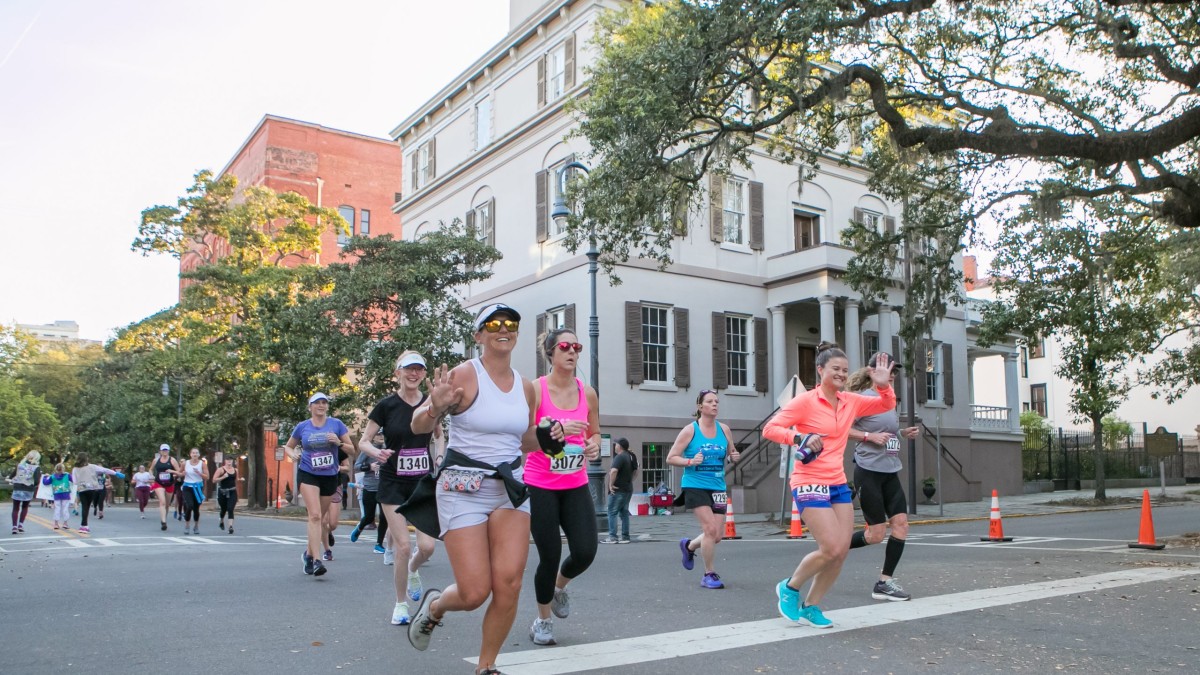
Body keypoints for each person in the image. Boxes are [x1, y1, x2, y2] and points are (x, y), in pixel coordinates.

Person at [403, 304, 550, 675]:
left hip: (509, 490)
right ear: (479, 334)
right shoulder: (464, 376)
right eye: (495, 324)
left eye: (511, 323)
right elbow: (419, 425)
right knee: (474, 593)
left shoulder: (526, 387)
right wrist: (434, 408)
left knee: (510, 583)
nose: (505, 329)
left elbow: (523, 440)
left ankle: (486, 667)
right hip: (462, 487)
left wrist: (549, 438)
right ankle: (436, 607)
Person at [763, 342, 897, 628]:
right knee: (831, 547)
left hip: (836, 482)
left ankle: (812, 606)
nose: (840, 374)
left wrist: (883, 386)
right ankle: (790, 586)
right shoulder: (805, 402)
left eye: (845, 370)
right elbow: (770, 429)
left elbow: (886, 404)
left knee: (841, 550)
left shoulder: (851, 401)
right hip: (809, 480)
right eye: (835, 369)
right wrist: (798, 438)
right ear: (820, 370)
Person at [525, 328, 601, 646]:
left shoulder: (589, 393)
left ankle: (559, 587)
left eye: (576, 346)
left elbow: (595, 433)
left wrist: (594, 445)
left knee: (585, 551)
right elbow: (525, 437)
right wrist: (554, 429)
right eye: (565, 346)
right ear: (551, 353)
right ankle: (542, 621)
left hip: (575, 482)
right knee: (550, 553)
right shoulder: (536, 390)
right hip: (540, 482)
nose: (572, 352)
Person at [358, 350, 442, 626]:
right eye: (409, 369)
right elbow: (364, 441)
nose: (414, 374)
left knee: (427, 547)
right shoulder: (386, 405)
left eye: (419, 369)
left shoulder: (431, 403)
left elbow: (440, 436)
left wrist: (439, 457)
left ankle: (414, 570)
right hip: (393, 482)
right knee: (403, 547)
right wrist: (375, 452)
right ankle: (400, 604)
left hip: (421, 483)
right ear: (398, 373)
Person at [846, 356, 921, 601]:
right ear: (871, 371)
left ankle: (884, 582)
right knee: (875, 535)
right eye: (886, 369)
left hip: (890, 471)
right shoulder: (863, 399)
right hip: (868, 472)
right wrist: (867, 436)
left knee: (901, 526)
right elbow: (842, 429)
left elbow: (886, 432)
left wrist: (900, 433)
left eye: (894, 371)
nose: (891, 374)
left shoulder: (889, 400)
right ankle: (833, 547)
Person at [668, 390, 741, 589]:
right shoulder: (690, 430)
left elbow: (730, 453)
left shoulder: (724, 429)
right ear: (700, 407)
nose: (715, 404)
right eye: (710, 401)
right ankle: (709, 574)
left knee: (717, 536)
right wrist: (690, 461)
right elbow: (671, 457)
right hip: (695, 485)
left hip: (717, 485)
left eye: (717, 401)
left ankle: (689, 546)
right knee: (709, 529)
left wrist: (733, 457)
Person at [279, 392, 353, 577]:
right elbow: (288, 445)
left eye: (324, 403)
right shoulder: (303, 426)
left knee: (321, 519)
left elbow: (352, 449)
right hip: (308, 473)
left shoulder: (336, 424)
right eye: (317, 403)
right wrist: (292, 454)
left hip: (329, 475)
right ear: (310, 406)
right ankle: (317, 561)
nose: (321, 405)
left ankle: (308, 555)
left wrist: (338, 442)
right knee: (315, 515)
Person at [349, 435, 389, 555]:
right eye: (378, 434)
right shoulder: (367, 450)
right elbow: (356, 466)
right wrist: (369, 467)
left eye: (383, 433)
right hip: (370, 488)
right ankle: (360, 527)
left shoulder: (388, 449)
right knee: (369, 518)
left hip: (384, 489)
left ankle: (379, 544)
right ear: (373, 437)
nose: (381, 436)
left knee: (384, 517)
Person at [71, 454, 123, 534]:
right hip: (92, 488)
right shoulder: (92, 466)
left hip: (81, 489)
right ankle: (84, 525)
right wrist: (116, 473)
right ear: (86, 459)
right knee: (87, 507)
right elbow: (105, 470)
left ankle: (83, 526)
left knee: (84, 506)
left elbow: (74, 481)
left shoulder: (75, 469)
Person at [603, 438, 637, 544]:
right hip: (628, 488)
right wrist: (629, 480)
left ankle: (612, 537)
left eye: (616, 444)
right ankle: (625, 536)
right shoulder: (631, 456)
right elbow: (636, 471)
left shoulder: (619, 457)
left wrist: (610, 485)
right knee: (624, 513)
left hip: (618, 490)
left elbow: (613, 471)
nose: (615, 446)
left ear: (620, 446)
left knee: (612, 512)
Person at [323, 450, 352, 560]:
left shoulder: (338, 450)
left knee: (333, 524)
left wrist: (338, 468)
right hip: (318, 486)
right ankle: (327, 551)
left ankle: (329, 531)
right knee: (323, 521)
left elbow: (347, 467)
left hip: (335, 486)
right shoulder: (313, 448)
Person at [149, 444, 182, 531]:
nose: (165, 451)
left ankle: (164, 519)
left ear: (168, 451)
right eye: (163, 450)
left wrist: (172, 471)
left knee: (167, 505)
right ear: (160, 451)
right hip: (158, 483)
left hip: (169, 484)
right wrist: (151, 475)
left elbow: (179, 471)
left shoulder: (172, 460)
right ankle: (163, 522)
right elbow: (151, 469)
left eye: (166, 450)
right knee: (162, 501)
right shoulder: (156, 460)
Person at [8, 450, 42, 534]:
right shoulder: (36, 467)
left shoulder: (20, 465)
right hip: (28, 489)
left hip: (17, 487)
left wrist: (10, 479)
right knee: (25, 507)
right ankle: (20, 525)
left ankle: (14, 527)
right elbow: (37, 480)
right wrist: (34, 485)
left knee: (15, 508)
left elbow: (12, 475)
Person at [179, 448, 208, 535]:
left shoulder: (202, 464)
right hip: (187, 486)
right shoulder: (185, 463)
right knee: (189, 505)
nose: (195, 454)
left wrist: (199, 473)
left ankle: (196, 526)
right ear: (190, 454)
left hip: (198, 487)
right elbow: (180, 473)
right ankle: (187, 525)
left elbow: (207, 477)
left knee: (196, 508)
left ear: (199, 455)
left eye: (196, 453)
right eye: (193, 453)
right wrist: (182, 474)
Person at [43, 463, 73, 529]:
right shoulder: (67, 475)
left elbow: (45, 482)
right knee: (65, 509)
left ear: (55, 469)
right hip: (65, 493)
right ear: (63, 469)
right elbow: (74, 480)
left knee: (57, 508)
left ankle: (56, 524)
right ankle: (65, 523)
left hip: (57, 494)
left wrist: (45, 477)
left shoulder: (52, 476)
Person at [213, 457, 239, 534]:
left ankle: (230, 527)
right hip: (223, 492)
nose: (229, 462)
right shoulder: (221, 470)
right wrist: (223, 477)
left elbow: (236, 480)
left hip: (232, 491)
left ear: (233, 461)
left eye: (231, 460)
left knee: (230, 508)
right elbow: (214, 480)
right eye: (228, 460)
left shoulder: (236, 470)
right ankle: (221, 521)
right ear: (225, 461)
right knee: (223, 509)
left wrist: (240, 480)